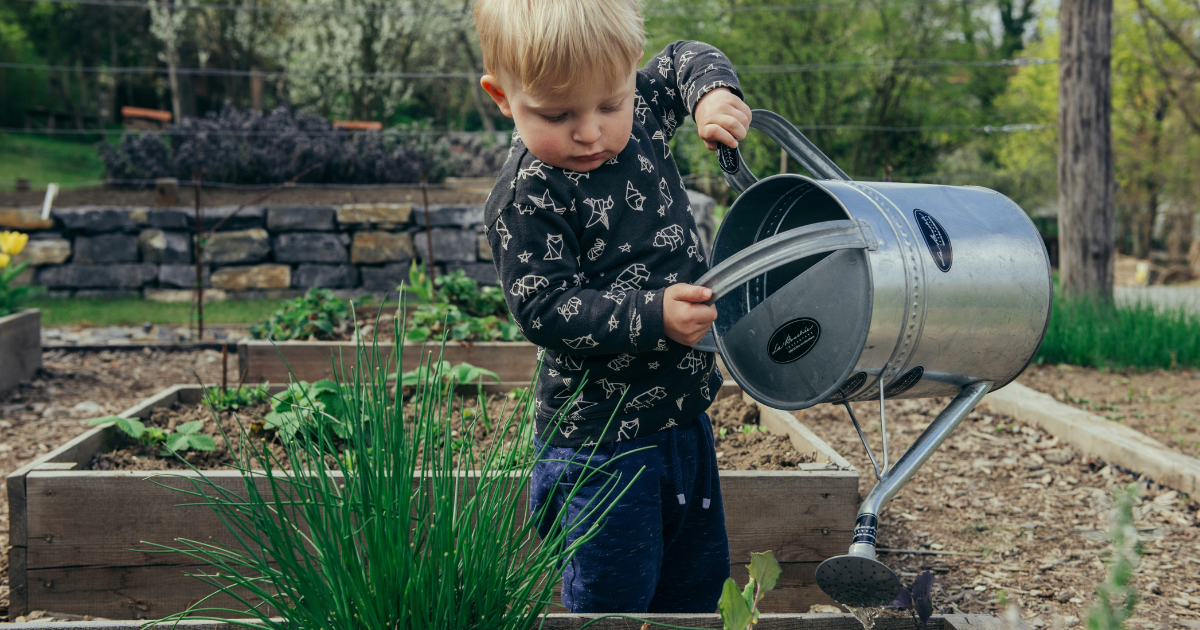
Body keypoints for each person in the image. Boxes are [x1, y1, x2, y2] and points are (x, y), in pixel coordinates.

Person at [475, 0, 752, 614]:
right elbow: (544, 307)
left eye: (610, 104)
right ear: (502, 97)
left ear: (629, 74)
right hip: (601, 445)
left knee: (696, 587)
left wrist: (710, 96)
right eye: (556, 113)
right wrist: (653, 316)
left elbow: (686, 57)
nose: (589, 131)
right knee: (616, 601)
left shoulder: (644, 109)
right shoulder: (528, 195)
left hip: (685, 424)